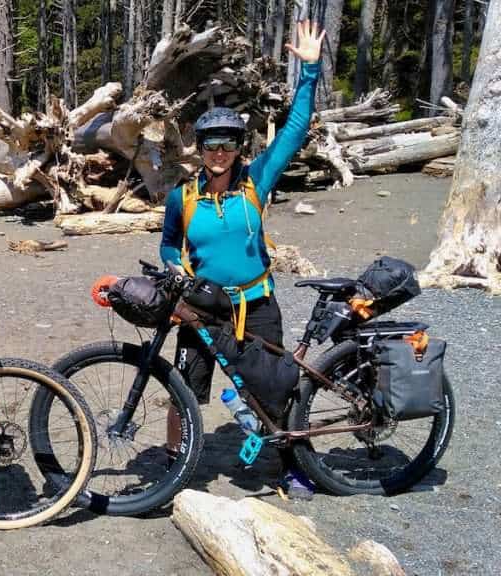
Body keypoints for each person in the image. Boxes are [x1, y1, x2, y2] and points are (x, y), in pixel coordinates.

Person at [159, 20, 326, 501]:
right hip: (203, 307)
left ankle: (291, 466)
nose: (219, 153)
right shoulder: (181, 197)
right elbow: (169, 246)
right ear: (200, 149)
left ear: (239, 148)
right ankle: (175, 467)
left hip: (257, 304)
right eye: (211, 145)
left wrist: (309, 71)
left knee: (276, 388)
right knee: (183, 387)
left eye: (228, 144)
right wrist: (177, 273)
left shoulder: (256, 182)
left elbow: (295, 130)